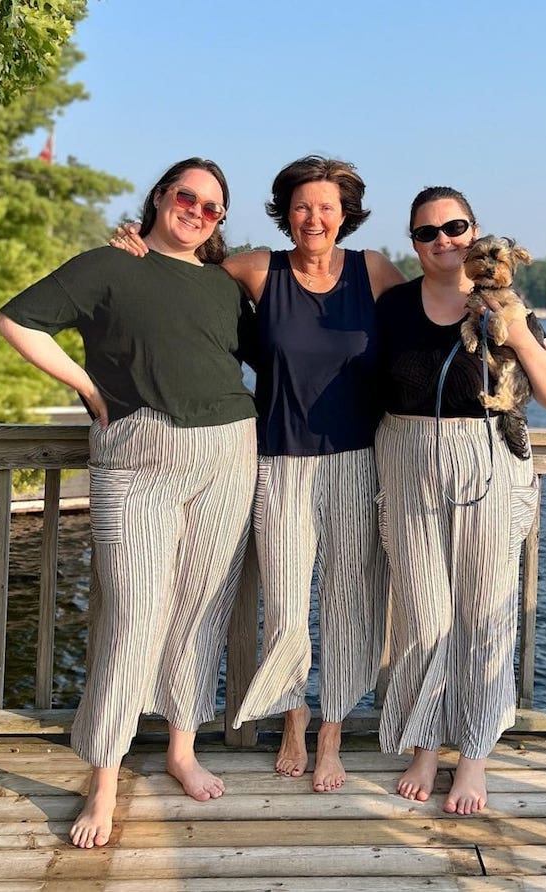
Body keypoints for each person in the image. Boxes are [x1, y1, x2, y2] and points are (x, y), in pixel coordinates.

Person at [112, 155, 405, 792]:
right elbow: (182, 273)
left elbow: (424, 323)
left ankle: (330, 736)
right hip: (277, 462)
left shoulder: (375, 270)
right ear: (285, 213)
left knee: (350, 606)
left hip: (359, 462)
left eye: (326, 207)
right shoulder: (256, 270)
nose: (313, 218)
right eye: (301, 206)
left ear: (346, 214)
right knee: (288, 609)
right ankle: (293, 719)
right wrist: (136, 248)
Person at [0, 158, 258, 847]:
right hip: (137, 459)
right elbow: (17, 320)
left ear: (220, 221)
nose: (196, 211)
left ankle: (180, 750)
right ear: (161, 197)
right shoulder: (110, 265)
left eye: (212, 207)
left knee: (200, 611)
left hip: (229, 453)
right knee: (131, 619)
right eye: (186, 197)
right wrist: (88, 387)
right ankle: (103, 780)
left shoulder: (224, 286)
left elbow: (282, 349)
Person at [373, 186, 546, 815]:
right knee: (420, 615)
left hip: (486, 460)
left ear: (476, 231)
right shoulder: (393, 305)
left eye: (455, 227)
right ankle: (424, 744)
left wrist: (515, 331)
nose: (444, 240)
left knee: (486, 612)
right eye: (427, 232)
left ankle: (475, 755)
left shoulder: (507, 306)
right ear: (414, 244)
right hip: (407, 463)